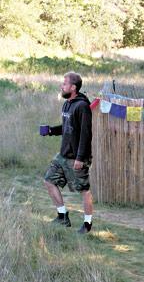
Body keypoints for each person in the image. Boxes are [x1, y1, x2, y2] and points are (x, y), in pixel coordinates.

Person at [43, 72, 94, 234]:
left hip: (77, 158)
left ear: (73, 87)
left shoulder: (82, 106)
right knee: (49, 180)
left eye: (64, 84)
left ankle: (87, 224)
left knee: (84, 190)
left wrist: (80, 158)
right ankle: (63, 216)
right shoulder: (67, 104)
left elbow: (86, 134)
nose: (61, 86)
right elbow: (66, 128)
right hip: (63, 155)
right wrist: (51, 130)